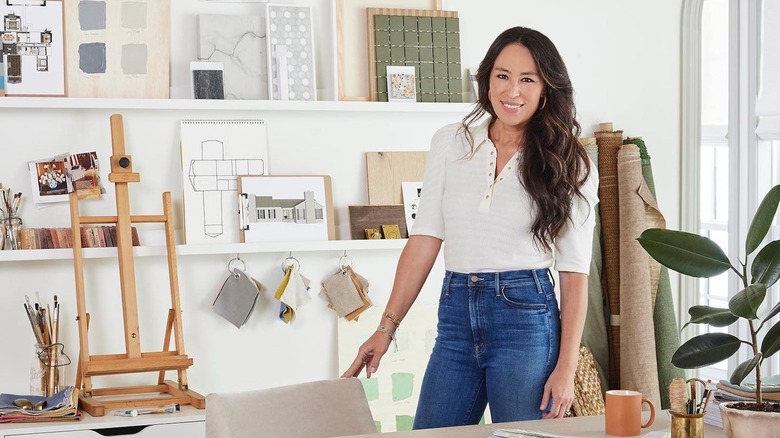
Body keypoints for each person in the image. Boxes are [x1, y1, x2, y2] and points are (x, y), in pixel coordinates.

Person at [342, 26, 598, 429]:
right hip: (457, 311)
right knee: (431, 432)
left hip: (526, 319)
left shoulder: (568, 162)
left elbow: (574, 272)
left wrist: (565, 368)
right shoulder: (451, 142)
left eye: (527, 79)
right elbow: (424, 239)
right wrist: (385, 330)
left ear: (546, 89)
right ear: (487, 80)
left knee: (520, 437)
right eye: (502, 76)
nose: (512, 91)